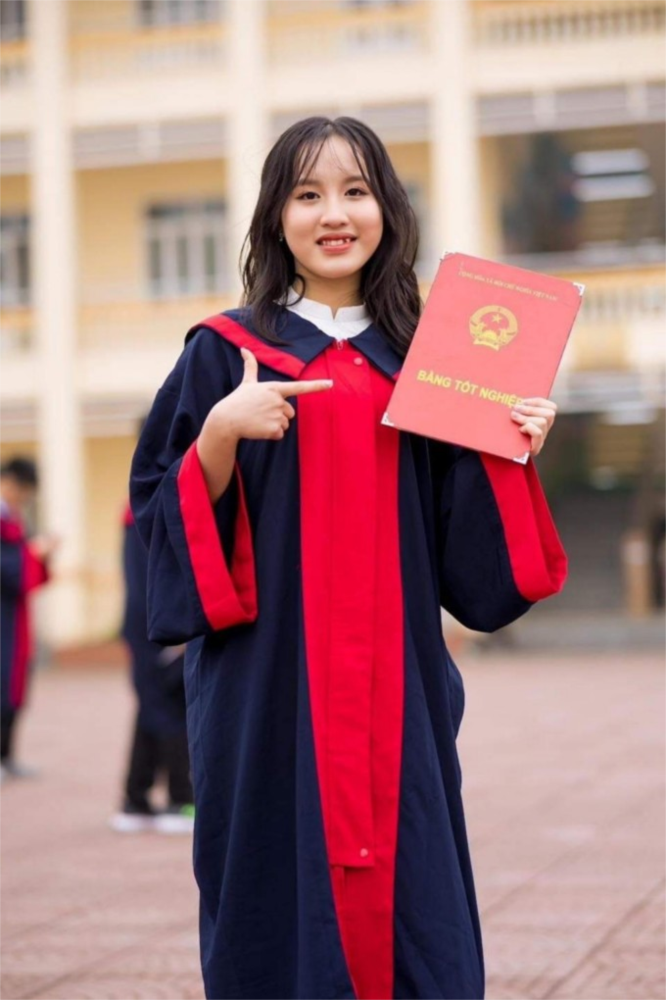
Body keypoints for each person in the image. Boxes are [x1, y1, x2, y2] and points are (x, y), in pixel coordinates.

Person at [130, 117, 567, 1000]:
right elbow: (157, 515)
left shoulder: (431, 363)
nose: (335, 213)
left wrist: (510, 448)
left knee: (415, 909)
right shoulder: (224, 353)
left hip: (395, 689)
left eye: (356, 191)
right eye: (308, 194)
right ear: (275, 216)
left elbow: (472, 563)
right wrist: (218, 436)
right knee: (271, 892)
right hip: (268, 688)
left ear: (388, 209)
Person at [110, 478, 194, 834]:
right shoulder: (154, 506)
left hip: (150, 625)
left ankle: (136, 800)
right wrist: (177, 628)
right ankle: (179, 800)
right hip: (159, 628)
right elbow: (154, 579)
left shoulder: (140, 505)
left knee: (151, 709)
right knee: (171, 708)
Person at [0, 457, 55, 781]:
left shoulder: (15, 521)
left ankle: (7, 756)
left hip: (14, 618)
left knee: (14, 687)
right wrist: (34, 555)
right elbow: (9, 570)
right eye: (21, 491)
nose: (22, 499)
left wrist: (38, 556)